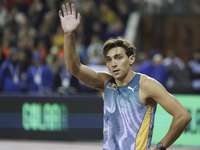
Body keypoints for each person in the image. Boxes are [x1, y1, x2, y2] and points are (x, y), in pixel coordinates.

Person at [58, 3, 191, 150]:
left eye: (118, 57)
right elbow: (73, 68)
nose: (113, 64)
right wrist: (69, 34)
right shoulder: (105, 83)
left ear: (131, 59)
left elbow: (183, 116)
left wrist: (159, 148)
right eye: (109, 60)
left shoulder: (146, 85)